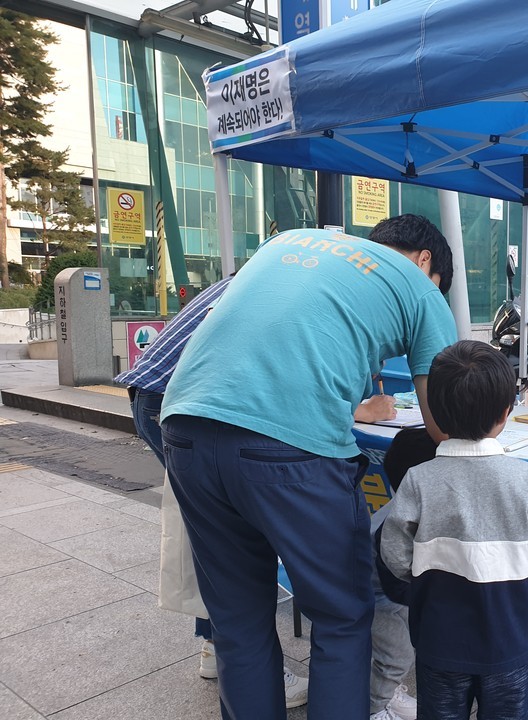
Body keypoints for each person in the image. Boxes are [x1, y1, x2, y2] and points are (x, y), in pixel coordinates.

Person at [160, 215, 457, 720]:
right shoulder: (423, 293)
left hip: (186, 421)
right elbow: (442, 423)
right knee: (342, 616)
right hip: (289, 448)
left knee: (238, 621)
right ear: (428, 263)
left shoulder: (292, 243)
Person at [114, 274, 323, 708]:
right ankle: (249, 663)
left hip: (158, 394)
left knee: (215, 534)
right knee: (234, 540)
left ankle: (217, 647)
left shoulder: (264, 277)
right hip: (179, 401)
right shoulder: (301, 288)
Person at [380, 340, 528, 720]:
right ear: (506, 412)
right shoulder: (525, 478)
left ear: (438, 414)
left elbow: (394, 553)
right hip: (507, 642)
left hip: (437, 641)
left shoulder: (418, 479)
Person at [368, 427, 440, 720]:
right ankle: (374, 708)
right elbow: (397, 585)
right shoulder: (397, 525)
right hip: (378, 598)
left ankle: (385, 691)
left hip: (383, 590)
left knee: (388, 654)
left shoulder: (408, 505)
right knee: (396, 656)